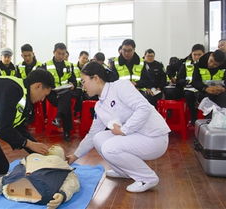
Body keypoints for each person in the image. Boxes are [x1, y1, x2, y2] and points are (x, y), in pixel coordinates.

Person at [67, 62, 170, 193]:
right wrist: (75, 156)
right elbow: (92, 135)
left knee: (109, 147)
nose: (83, 86)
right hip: (136, 136)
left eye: (84, 81)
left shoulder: (120, 86)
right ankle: (124, 171)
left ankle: (147, 178)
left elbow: (143, 108)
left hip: (155, 137)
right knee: (98, 138)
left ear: (96, 78)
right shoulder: (99, 106)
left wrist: (124, 130)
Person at [0, 145, 80, 209]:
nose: (51, 148)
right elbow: (11, 175)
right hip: (13, 183)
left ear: (64, 159)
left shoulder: (64, 166)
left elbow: (72, 183)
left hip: (42, 187)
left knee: (20, 178)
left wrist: (63, 195)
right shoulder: (31, 158)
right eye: (51, 147)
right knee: (16, 176)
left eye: (56, 147)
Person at [43, 43, 77, 141]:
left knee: (65, 96)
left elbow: (73, 80)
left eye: (63, 54)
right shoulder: (46, 65)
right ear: (54, 52)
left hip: (65, 92)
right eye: (59, 53)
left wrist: (72, 85)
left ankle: (58, 117)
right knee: (65, 103)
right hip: (52, 93)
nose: (61, 56)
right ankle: (67, 131)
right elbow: (43, 81)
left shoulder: (69, 65)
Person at [176, 44, 205, 124]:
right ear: (191, 54)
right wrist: (185, 81)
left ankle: (205, 120)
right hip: (189, 89)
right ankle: (193, 119)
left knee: (205, 97)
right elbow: (178, 80)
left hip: (203, 89)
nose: (197, 57)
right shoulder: (186, 64)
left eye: (199, 55)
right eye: (194, 54)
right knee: (189, 95)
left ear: (204, 54)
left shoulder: (208, 64)